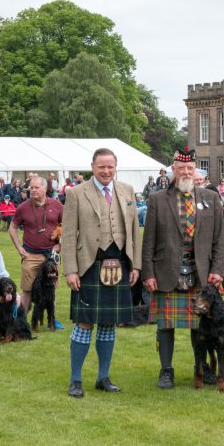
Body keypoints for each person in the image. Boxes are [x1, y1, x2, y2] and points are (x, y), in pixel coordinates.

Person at [143, 147, 224, 388]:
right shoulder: (158, 199)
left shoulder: (211, 199)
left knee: (199, 325)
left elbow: (218, 241)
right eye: (182, 168)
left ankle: (201, 368)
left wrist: (218, 269)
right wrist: (148, 273)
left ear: (195, 170)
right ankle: (166, 370)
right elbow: (148, 240)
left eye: (190, 168)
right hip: (166, 271)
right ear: (174, 170)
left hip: (200, 271)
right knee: (165, 325)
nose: (186, 172)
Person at [61, 147, 141, 398]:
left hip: (120, 261)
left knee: (109, 323)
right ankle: (75, 380)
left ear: (116, 167)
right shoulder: (76, 193)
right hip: (89, 264)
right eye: (101, 166)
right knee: (84, 323)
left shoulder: (127, 190)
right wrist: (70, 270)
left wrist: (136, 265)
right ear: (92, 167)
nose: (106, 171)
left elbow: (134, 231)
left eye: (110, 166)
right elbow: (68, 235)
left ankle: (103, 378)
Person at [9, 175, 63, 323]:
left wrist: (60, 244)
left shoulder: (57, 205)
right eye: (31, 188)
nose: (32, 190)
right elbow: (12, 227)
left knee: (51, 288)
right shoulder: (23, 207)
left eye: (36, 188)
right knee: (27, 290)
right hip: (30, 254)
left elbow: (67, 227)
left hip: (52, 255)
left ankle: (52, 320)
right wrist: (18, 247)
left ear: (45, 188)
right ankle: (22, 320)